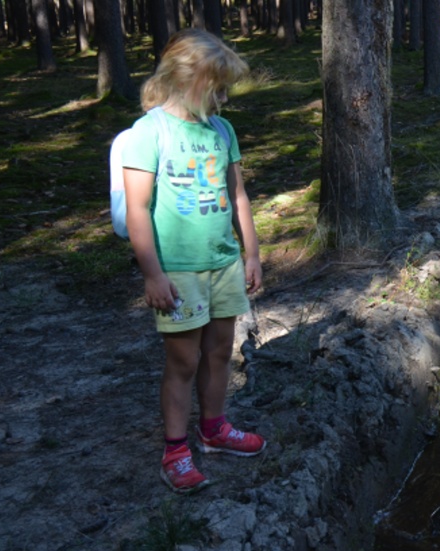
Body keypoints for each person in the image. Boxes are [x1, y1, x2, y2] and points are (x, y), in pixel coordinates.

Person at [122, 28, 266, 494]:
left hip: (223, 263)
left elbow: (237, 194)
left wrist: (252, 254)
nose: (223, 97)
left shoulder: (222, 130)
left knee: (221, 351)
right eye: (217, 85)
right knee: (183, 361)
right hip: (178, 270)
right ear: (186, 77)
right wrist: (153, 274)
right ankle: (175, 449)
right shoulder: (149, 133)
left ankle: (214, 429)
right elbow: (137, 207)